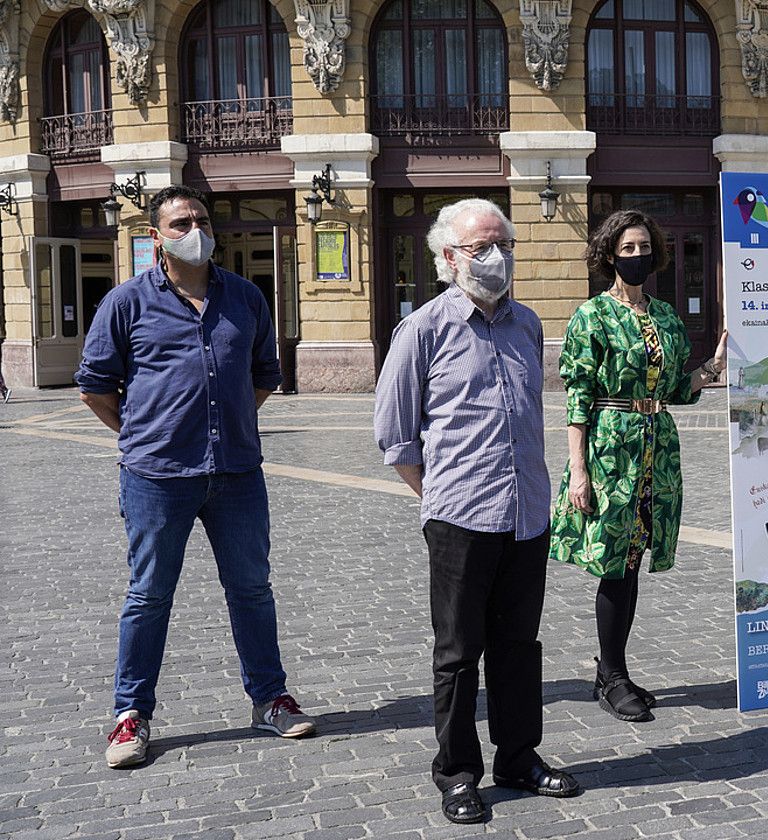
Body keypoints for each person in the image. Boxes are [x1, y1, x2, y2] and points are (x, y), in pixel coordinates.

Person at [74, 185, 316, 770]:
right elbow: (94, 385)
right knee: (149, 595)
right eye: (180, 221)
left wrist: (225, 422)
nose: (194, 228)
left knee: (252, 589)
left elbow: (264, 374)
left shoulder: (246, 298)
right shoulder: (126, 303)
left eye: (201, 219)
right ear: (157, 235)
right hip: (157, 476)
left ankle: (270, 698)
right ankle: (130, 713)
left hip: (235, 472)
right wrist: (141, 433)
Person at [374, 199, 580, 825]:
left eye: (504, 245)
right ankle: (458, 773)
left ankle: (519, 755)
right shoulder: (422, 330)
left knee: (519, 645)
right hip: (460, 519)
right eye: (480, 247)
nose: (496, 257)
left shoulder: (529, 325)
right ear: (447, 258)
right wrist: (440, 500)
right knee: (459, 652)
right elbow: (395, 437)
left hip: (527, 516)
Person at [550, 209, 727, 723]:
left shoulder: (668, 317)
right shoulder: (592, 316)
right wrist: (578, 470)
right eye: (626, 249)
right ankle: (612, 675)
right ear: (609, 255)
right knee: (615, 563)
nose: (636, 256)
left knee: (632, 564)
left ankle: (614, 671)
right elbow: (578, 397)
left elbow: (677, 389)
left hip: (657, 449)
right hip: (611, 449)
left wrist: (714, 364)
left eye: (643, 247)